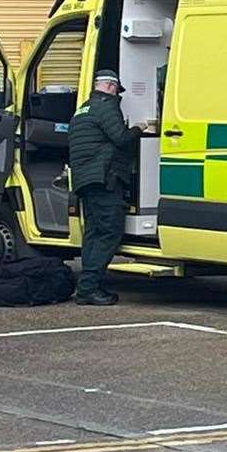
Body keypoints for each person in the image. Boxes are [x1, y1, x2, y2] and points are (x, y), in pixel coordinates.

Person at [67, 70, 150, 306]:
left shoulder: (83, 108)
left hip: (86, 180)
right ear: (111, 87)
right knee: (109, 232)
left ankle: (89, 286)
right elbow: (121, 138)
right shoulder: (107, 106)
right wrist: (140, 128)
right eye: (116, 90)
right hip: (104, 179)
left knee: (93, 233)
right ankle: (88, 288)